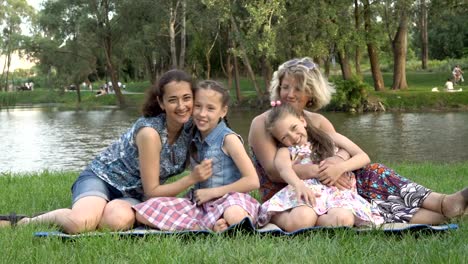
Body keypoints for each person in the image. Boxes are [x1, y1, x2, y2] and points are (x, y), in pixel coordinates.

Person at [248, 57, 468, 227]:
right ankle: (445, 207)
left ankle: (445, 206)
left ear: (311, 93)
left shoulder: (317, 120)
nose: (290, 94)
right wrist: (322, 171)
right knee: (373, 192)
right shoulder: (263, 123)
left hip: (331, 186)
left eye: (298, 88)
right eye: (285, 87)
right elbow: (274, 173)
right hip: (287, 193)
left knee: (374, 173)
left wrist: (337, 165)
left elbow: (342, 150)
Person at [0, 69, 206, 234]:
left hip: (133, 194)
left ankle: (93, 212)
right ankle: (24, 221)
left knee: (117, 222)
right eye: (173, 100)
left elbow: (222, 137)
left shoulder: (192, 129)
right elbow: (152, 191)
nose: (182, 106)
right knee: (80, 224)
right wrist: (191, 179)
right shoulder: (150, 133)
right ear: (161, 102)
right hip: (102, 178)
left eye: (187, 98)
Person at [133, 80, 260, 232]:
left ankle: (220, 223)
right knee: (144, 211)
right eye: (198, 106)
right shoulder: (194, 136)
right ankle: (204, 226)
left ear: (223, 111)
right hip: (200, 204)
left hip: (230, 200)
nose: (202, 114)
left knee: (235, 215)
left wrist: (212, 192)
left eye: (210, 108)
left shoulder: (229, 139)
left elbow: (252, 181)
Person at [257, 104, 383, 231]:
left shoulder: (330, 137)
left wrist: (340, 168)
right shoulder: (286, 150)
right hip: (308, 193)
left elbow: (363, 156)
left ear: (303, 121)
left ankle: (317, 222)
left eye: (294, 128)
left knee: (343, 220)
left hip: (337, 193)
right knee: (300, 222)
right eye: (285, 137)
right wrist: (298, 185)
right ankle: (274, 215)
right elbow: (284, 169)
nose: (293, 137)